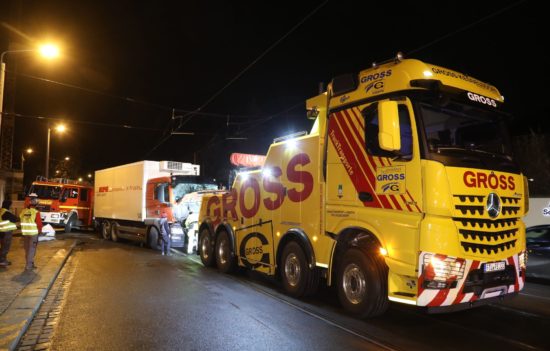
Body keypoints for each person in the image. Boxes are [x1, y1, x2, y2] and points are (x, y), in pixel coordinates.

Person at [20, 193, 43, 270]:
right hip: (33, 234)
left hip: (25, 233)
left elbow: (21, 220)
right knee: (32, 250)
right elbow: (39, 224)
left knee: (27, 250)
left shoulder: (23, 211)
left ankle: (30, 263)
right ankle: (29, 265)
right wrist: (40, 231)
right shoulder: (36, 212)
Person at [0, 199, 19, 267]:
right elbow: (15, 219)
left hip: (2, 231)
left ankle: (2, 260)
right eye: (11, 205)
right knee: (5, 247)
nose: (11, 206)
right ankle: (2, 261)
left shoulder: (1, 211)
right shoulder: (6, 213)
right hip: (6, 232)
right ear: (8, 205)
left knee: (2, 246)